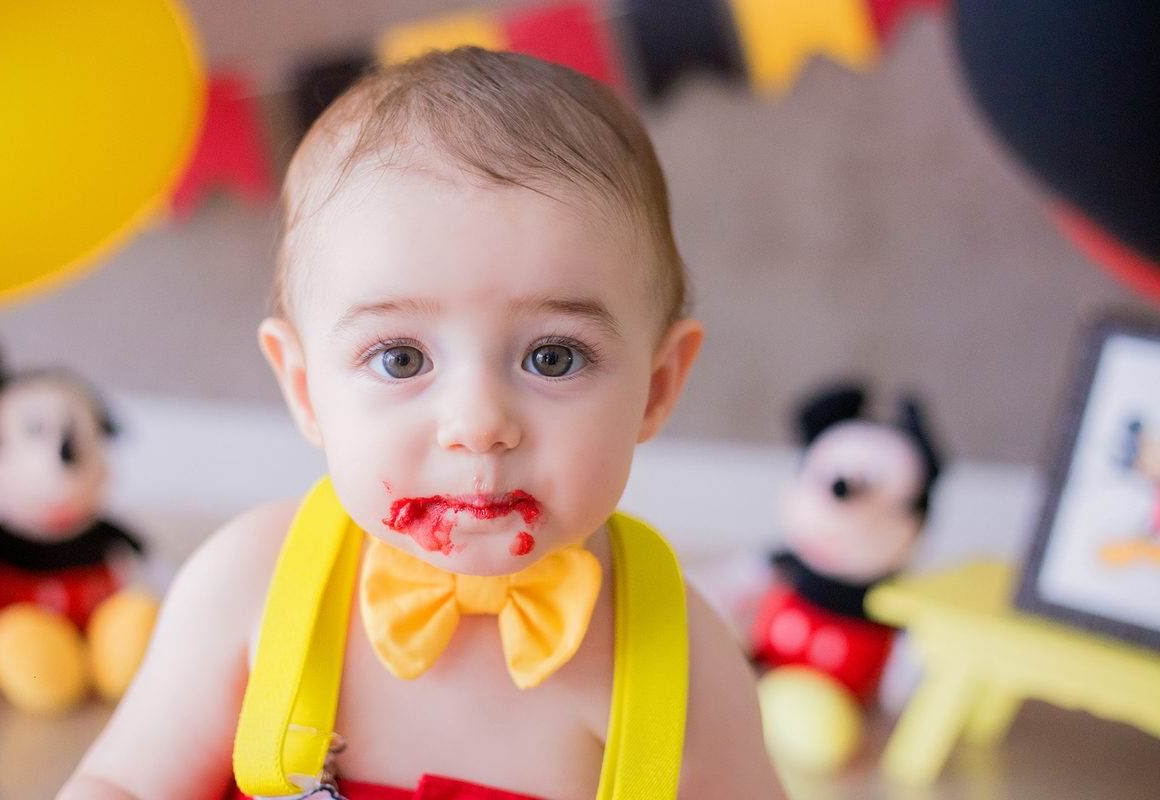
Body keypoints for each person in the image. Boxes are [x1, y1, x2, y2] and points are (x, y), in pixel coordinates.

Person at [58, 48, 782, 800]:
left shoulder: (682, 660)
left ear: (657, 387)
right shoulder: (251, 584)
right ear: (305, 390)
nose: (478, 425)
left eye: (555, 357)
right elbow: (123, 783)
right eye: (401, 359)